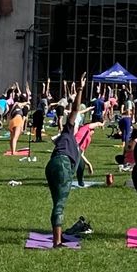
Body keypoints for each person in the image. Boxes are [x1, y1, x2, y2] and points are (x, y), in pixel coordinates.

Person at [45, 105, 84, 248]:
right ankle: (57, 242)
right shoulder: (68, 132)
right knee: (59, 205)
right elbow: (74, 110)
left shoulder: (65, 140)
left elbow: (80, 167)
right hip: (63, 165)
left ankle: (58, 236)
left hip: (51, 165)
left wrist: (79, 180)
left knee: (56, 203)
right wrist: (80, 90)